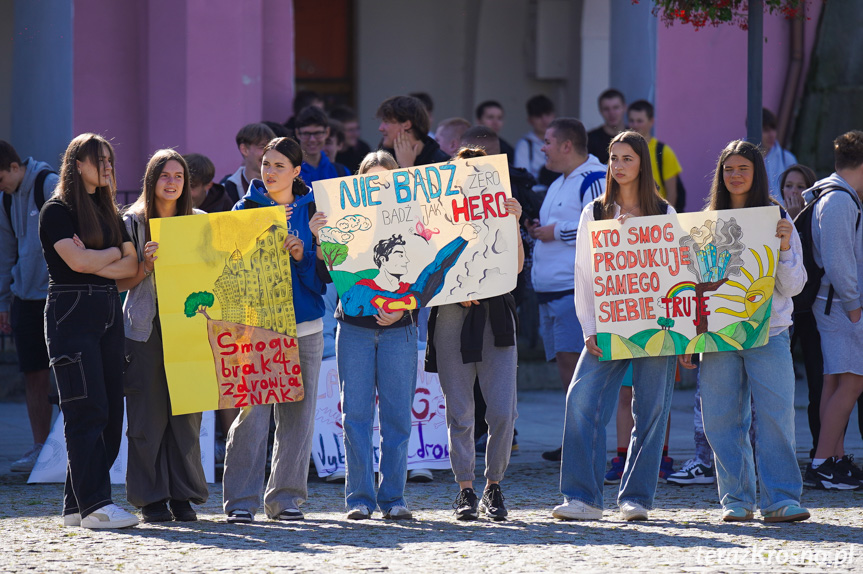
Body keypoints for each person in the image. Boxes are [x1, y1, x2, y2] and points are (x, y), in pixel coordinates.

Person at [678, 140, 809, 522]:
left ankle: (781, 499)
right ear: (721, 175)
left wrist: (784, 246)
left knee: (776, 416)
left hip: (769, 332)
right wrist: (690, 335)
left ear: (756, 174)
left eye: (743, 169)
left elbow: (794, 285)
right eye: (728, 169)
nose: (735, 175)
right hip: (717, 336)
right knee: (720, 418)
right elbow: (691, 282)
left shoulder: (775, 215)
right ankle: (736, 499)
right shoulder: (705, 221)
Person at [552, 130, 676, 522]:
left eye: (627, 158)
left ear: (642, 163)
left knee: (651, 409)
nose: (618, 166)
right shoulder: (596, 211)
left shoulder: (664, 212)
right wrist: (588, 325)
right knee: (581, 400)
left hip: (658, 325)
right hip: (608, 324)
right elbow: (584, 273)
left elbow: (676, 272)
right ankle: (582, 497)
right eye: (614, 158)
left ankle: (637, 498)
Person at [221, 137, 327, 523]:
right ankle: (241, 502)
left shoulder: (315, 211)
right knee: (253, 416)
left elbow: (323, 280)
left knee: (298, 418)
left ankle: (285, 499)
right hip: (259, 329)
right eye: (266, 164)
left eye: (279, 165)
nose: (269, 172)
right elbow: (229, 272)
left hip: (306, 325)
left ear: (297, 172)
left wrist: (302, 256)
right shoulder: (243, 208)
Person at [38, 133, 138, 528]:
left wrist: (101, 257)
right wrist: (112, 255)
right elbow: (75, 262)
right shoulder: (56, 210)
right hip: (71, 312)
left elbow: (131, 270)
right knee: (86, 409)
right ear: (78, 163)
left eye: (111, 160)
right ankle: (97, 505)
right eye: (101, 160)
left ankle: (75, 507)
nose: (108, 167)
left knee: (112, 413)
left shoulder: (111, 212)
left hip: (109, 311)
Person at [424, 146, 524, 521]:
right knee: (460, 411)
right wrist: (457, 291)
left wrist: (513, 221)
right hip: (451, 316)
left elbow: (514, 268)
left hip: (496, 315)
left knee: (503, 411)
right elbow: (428, 268)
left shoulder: (502, 210)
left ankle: (493, 485)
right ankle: (465, 489)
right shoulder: (436, 216)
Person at [319, 151, 418, 520]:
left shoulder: (415, 219)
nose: (379, 188)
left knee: (397, 417)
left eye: (386, 181)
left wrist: (404, 308)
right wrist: (320, 237)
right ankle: (359, 498)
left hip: (401, 332)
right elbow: (330, 275)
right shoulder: (344, 221)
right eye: (371, 181)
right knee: (355, 415)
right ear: (357, 184)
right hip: (354, 332)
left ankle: (393, 498)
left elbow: (426, 278)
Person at [119, 150, 209, 522]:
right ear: (151, 180)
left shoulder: (200, 222)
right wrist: (145, 265)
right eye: (164, 175)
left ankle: (183, 496)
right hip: (144, 328)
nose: (171, 182)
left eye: (178, 176)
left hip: (189, 328)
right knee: (147, 415)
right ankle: (150, 499)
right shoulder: (132, 223)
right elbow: (120, 281)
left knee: (187, 415)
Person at [524, 118, 606, 462]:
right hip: (552, 291)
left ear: (567, 146)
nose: (541, 148)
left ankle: (586, 444)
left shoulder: (594, 177)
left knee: (578, 369)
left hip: (574, 291)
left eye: (547, 141)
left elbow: (602, 225)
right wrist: (539, 229)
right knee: (566, 367)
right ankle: (576, 437)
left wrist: (556, 232)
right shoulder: (561, 181)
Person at [803, 130, 863, 490]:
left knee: (836, 380)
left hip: (832, 303)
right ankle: (824, 463)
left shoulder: (832, 193)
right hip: (841, 305)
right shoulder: (840, 201)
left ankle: (832, 459)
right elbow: (841, 262)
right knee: (853, 382)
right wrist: (856, 307)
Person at [0, 140, 57, 473]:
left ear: (14, 167)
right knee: (33, 375)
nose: (1, 187)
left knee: (66, 376)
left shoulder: (48, 184)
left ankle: (66, 449)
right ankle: (39, 447)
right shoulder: (6, 201)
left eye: (0, 178)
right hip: (25, 299)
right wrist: (4, 302)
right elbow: (6, 252)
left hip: (57, 296)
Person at [627, 100, 683, 211]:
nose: (635, 125)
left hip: (656, 215)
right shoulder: (623, 150)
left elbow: (672, 194)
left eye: (640, 121)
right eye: (632, 121)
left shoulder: (664, 151)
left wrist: (663, 219)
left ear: (651, 121)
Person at [377, 95, 449, 168]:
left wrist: (407, 167)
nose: (380, 128)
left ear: (406, 125)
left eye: (386, 122)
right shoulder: (380, 161)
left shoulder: (444, 164)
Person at [220, 123, 276, 204]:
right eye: (262, 147)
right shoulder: (227, 190)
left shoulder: (285, 186)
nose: (268, 153)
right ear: (244, 150)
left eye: (271, 147)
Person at [294, 106, 350, 183]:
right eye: (306, 133)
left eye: (317, 133)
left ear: (327, 132)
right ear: (297, 133)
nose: (312, 140)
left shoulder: (341, 172)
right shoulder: (288, 172)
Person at [514, 95, 558, 191]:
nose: (544, 120)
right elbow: (522, 179)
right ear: (530, 120)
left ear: (553, 116)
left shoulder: (562, 142)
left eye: (547, 114)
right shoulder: (525, 145)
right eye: (538, 116)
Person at [762, 108, 797, 204]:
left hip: (780, 215)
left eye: (773, 129)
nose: (772, 135)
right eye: (766, 130)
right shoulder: (740, 157)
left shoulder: (787, 159)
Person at [330, 105, 373, 174]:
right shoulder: (328, 150)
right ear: (338, 132)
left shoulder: (362, 149)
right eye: (350, 130)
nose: (356, 134)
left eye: (357, 129)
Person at [587, 89, 626, 164]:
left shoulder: (635, 137)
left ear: (624, 108)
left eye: (616, 108)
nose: (611, 113)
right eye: (606, 109)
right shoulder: (590, 140)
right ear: (600, 111)